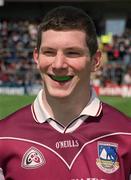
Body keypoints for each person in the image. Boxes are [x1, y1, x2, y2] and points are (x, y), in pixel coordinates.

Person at [0, 6, 131, 180]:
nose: (59, 64)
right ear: (36, 58)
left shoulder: (127, 134)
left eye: (72, 53)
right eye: (49, 52)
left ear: (95, 61)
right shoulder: (3, 136)